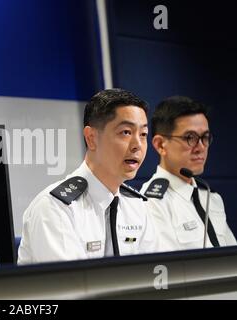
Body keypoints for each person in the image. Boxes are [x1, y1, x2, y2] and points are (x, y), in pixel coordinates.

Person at [17, 89, 158, 265]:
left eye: (143, 134)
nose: (138, 145)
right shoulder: (56, 208)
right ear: (91, 138)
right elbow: (73, 287)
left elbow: (153, 276)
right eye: (126, 132)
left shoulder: (137, 207)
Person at [141, 96, 236, 251]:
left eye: (205, 137)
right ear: (160, 145)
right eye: (190, 138)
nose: (201, 147)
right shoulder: (151, 202)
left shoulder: (212, 197)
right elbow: (172, 268)